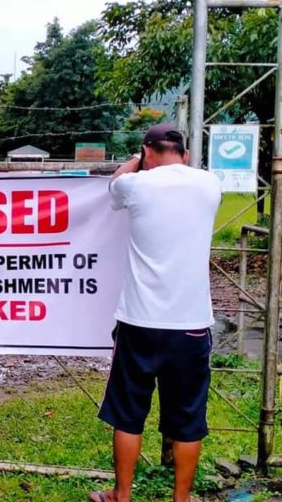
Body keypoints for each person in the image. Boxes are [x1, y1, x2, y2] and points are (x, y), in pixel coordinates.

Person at [90, 124, 221, 502]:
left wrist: (135, 159)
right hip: (192, 324)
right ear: (186, 154)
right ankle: (181, 499)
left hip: (139, 321)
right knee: (188, 418)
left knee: (128, 413)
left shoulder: (137, 185)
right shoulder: (209, 185)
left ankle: (122, 494)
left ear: (149, 153)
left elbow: (116, 183)